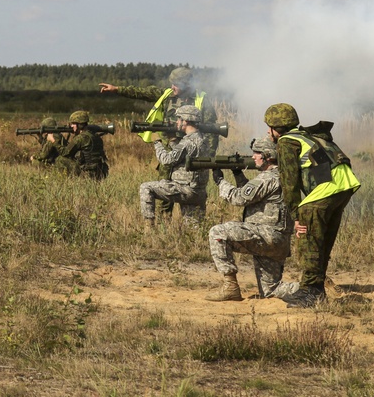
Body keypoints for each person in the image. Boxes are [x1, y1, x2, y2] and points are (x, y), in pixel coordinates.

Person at [264, 103, 361, 308]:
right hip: (344, 187)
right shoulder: (309, 136)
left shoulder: (287, 142)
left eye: (269, 127)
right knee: (322, 240)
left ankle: (310, 293)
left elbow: (289, 182)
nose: (268, 132)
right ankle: (315, 289)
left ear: (276, 129)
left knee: (309, 240)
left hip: (326, 192)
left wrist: (296, 214)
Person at [100, 67, 218, 216]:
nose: (172, 87)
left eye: (176, 84)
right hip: (169, 151)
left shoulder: (201, 100)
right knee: (164, 190)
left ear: (186, 84)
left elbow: (212, 131)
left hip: (190, 154)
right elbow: (142, 93)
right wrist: (117, 89)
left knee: (191, 193)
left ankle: (192, 226)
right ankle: (164, 224)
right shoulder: (167, 95)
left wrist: (208, 159)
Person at [203, 135, 297, 302]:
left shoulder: (267, 177)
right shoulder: (282, 176)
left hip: (265, 235)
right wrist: (238, 175)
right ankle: (312, 286)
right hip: (278, 240)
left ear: (267, 156)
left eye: (257, 153)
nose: (253, 157)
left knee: (218, 232)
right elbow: (252, 195)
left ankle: (230, 287)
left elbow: (239, 198)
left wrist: (220, 182)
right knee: (271, 289)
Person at [138, 105, 209, 225]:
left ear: (185, 121)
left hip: (184, 189)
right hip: (198, 191)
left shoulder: (187, 142)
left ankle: (148, 228)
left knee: (146, 188)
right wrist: (172, 140)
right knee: (193, 229)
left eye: (179, 119)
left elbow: (167, 159)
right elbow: (184, 155)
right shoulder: (203, 139)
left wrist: (157, 142)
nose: (177, 122)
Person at [54, 110, 109, 180]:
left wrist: (54, 141)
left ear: (80, 125)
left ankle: (69, 181)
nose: (71, 126)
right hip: (100, 173)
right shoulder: (95, 136)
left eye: (73, 124)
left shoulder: (80, 138)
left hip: (88, 173)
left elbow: (65, 153)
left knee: (60, 159)